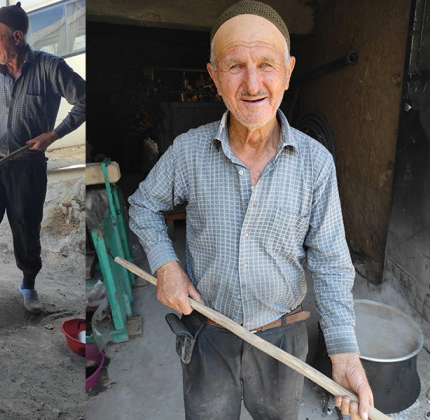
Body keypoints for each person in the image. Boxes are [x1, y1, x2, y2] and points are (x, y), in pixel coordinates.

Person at [127, 2, 374, 420]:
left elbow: (331, 263)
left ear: (289, 70)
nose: (253, 82)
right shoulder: (189, 151)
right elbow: (143, 205)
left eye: (266, 64)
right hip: (208, 333)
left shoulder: (316, 164)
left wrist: (344, 352)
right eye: (234, 66)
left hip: (282, 337)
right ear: (214, 77)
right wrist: (166, 263)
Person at [0, 2, 85, 313]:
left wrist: (54, 134)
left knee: (26, 226)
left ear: (16, 36)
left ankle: (28, 285)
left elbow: (84, 100)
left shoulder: (50, 68)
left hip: (28, 167)